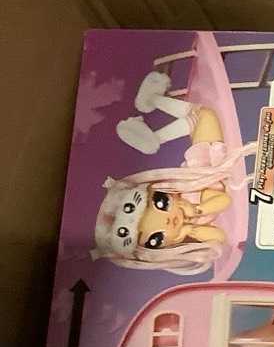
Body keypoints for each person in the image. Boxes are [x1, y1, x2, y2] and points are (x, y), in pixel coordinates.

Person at [94, 70, 254, 274]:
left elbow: (221, 199)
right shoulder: (193, 226)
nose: (168, 221)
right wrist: (192, 226)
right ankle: (153, 109)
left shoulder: (186, 197)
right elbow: (221, 227)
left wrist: (195, 208)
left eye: (161, 203)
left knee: (203, 116)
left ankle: (154, 112)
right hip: (212, 168)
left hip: (204, 162)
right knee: (199, 117)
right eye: (156, 238)